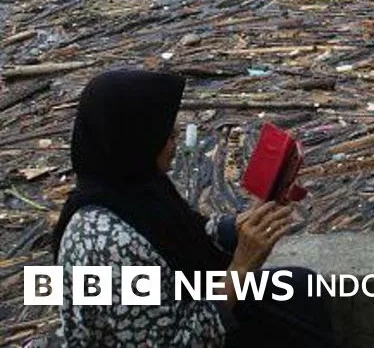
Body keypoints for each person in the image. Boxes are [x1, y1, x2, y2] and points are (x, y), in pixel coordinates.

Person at [51, 70, 336, 347]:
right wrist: (240, 268)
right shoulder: (107, 246)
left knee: (299, 288)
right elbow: (177, 340)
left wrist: (237, 227)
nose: (174, 144)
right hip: (181, 330)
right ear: (135, 140)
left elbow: (186, 232)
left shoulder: (135, 188)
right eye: (166, 136)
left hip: (184, 305)